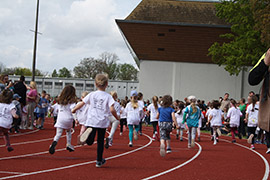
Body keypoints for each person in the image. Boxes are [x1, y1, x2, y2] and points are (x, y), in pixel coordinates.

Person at [72, 74, 119, 168]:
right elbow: (112, 109)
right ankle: (99, 160)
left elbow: (82, 103)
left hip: (91, 120)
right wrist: (117, 117)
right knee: (100, 142)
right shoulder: (108, 96)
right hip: (102, 121)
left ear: (95, 84)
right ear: (107, 84)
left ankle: (88, 140)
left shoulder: (92, 94)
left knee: (91, 139)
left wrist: (74, 109)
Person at [49, 85, 77, 155]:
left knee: (58, 134)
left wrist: (51, 110)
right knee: (68, 132)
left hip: (60, 119)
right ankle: (68, 144)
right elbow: (73, 111)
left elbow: (53, 107)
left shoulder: (59, 101)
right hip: (68, 119)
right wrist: (76, 119)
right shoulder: (72, 102)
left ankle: (54, 142)